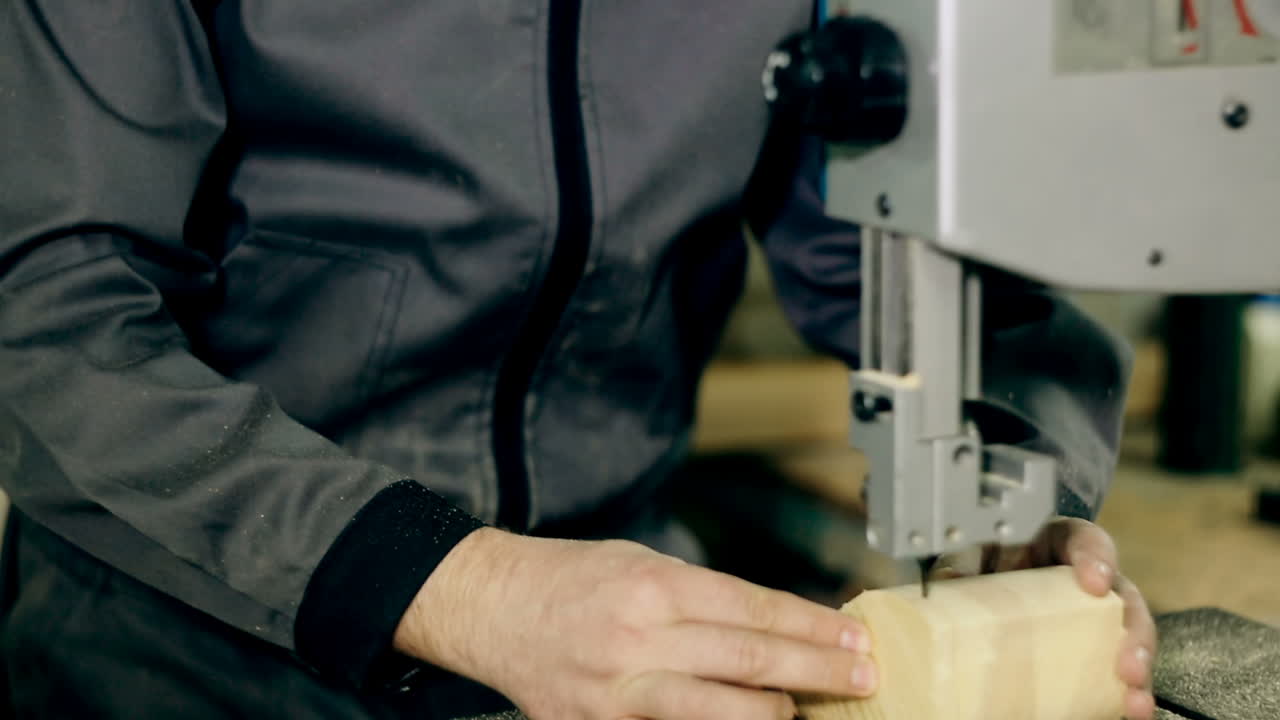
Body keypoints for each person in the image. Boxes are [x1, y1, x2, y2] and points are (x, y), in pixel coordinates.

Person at [0, 3, 1155, 719]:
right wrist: (459, 587)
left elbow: (896, 243)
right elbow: (49, 325)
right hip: (190, 657)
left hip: (632, 647)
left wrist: (1004, 469)